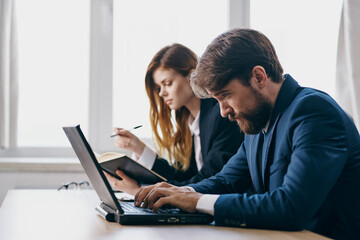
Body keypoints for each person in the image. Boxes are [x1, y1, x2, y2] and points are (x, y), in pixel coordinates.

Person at [133, 29, 360, 240]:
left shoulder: (313, 112)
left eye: (226, 95)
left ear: (259, 77)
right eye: (217, 100)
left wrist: (197, 201)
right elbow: (226, 181)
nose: (223, 112)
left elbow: (291, 206)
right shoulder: (257, 120)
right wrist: (181, 192)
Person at [106, 43, 243, 196]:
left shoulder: (221, 115)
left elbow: (207, 180)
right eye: (159, 87)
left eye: (168, 84)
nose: (162, 93)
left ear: (192, 77)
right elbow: (182, 177)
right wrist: (138, 148)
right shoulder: (189, 122)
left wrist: (138, 191)